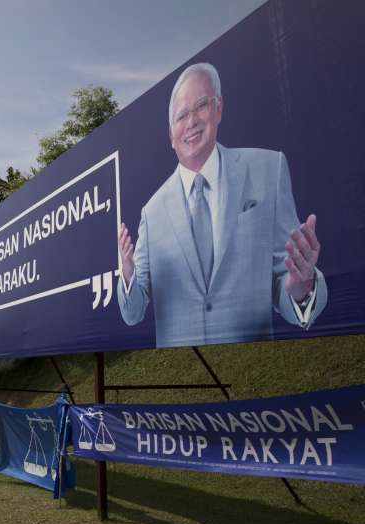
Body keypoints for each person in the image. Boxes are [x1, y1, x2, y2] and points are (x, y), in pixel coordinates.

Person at [117, 62, 327, 348]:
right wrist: (128, 276)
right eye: (181, 116)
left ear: (219, 108)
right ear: (171, 136)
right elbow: (132, 313)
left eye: (201, 106)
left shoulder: (268, 169)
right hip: (185, 379)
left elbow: (286, 281)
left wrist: (301, 287)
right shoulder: (151, 213)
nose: (191, 121)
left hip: (255, 370)